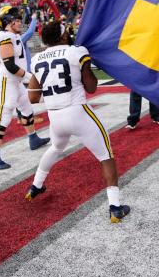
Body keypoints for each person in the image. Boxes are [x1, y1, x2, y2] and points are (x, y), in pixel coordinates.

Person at [25, 21, 131, 222]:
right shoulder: (76, 51)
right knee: (106, 155)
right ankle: (115, 207)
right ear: (63, 36)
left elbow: (32, 98)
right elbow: (91, 87)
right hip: (77, 111)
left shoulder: (37, 58)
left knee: (56, 147)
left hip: (55, 116)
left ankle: (35, 186)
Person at [0, 6, 49, 170]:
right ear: (8, 21)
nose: (20, 22)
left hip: (16, 82)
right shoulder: (3, 36)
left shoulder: (14, 36)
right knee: (5, 114)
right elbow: (10, 66)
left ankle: (33, 138)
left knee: (27, 108)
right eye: (17, 19)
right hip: (7, 81)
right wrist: (31, 78)